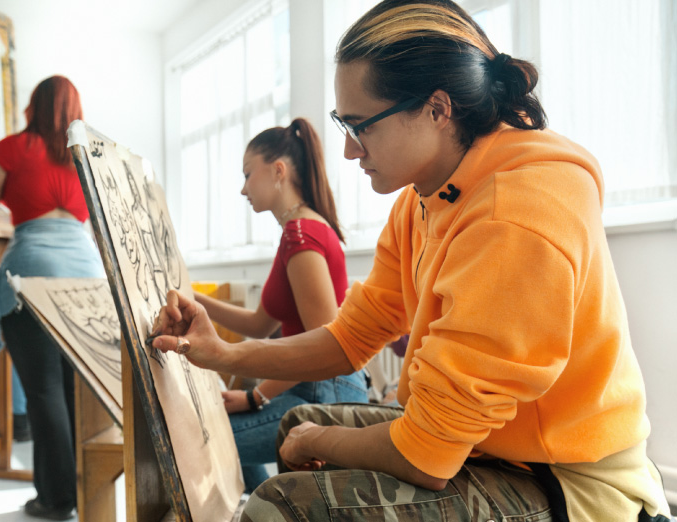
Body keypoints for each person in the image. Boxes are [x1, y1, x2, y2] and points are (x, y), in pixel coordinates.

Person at [149, 1, 673, 520]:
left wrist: (317, 439)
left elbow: (426, 453)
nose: (351, 151)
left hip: (564, 480)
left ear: (437, 110)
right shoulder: (422, 197)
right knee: (295, 425)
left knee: (276, 502)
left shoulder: (515, 213)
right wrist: (224, 355)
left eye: (361, 126)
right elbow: (350, 338)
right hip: (489, 449)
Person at [195, 118, 369, 493]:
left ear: (278, 171)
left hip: (326, 392)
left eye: (247, 174)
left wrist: (255, 397)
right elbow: (260, 324)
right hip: (314, 387)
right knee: (213, 440)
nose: (243, 188)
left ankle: (256, 510)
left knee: (197, 444)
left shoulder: (300, 234)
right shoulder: (298, 230)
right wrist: (196, 300)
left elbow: (324, 345)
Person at [0, 75, 103, 520]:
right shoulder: (86, 154)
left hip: (32, 272)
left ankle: (56, 499)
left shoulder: (12, 149)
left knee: (42, 392)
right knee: (74, 391)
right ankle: (82, 490)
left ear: (33, 106)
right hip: (87, 275)